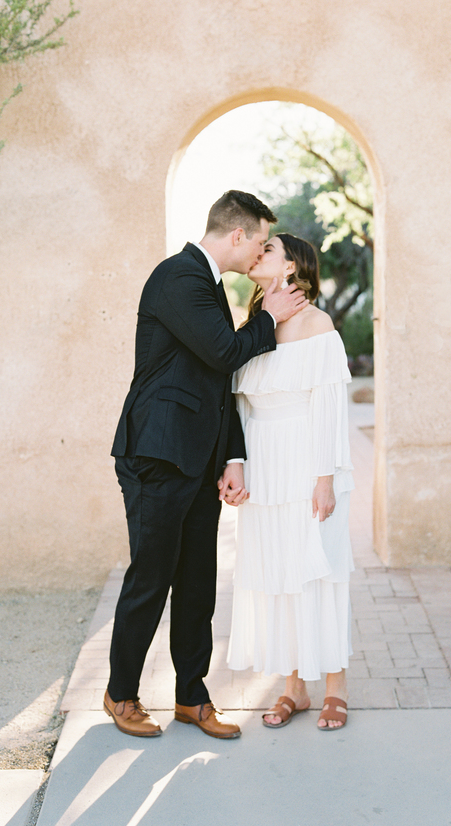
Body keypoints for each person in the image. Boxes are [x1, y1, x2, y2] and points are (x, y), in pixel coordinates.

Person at [106, 192, 308, 739]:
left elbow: (221, 385)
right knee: (151, 578)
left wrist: (232, 456)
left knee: (197, 583)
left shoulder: (210, 287)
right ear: (237, 236)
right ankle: (121, 692)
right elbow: (224, 353)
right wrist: (268, 318)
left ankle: (191, 699)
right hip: (156, 454)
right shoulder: (178, 277)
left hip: (196, 461)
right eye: (261, 242)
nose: (262, 253)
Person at [227, 233, 355, 730]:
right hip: (264, 467)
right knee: (279, 574)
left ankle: (336, 688)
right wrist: (233, 464)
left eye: (270, 249)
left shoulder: (317, 324)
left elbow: (328, 405)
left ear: (293, 267)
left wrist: (324, 478)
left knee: (319, 571)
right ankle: (294, 689)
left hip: (307, 465)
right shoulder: (253, 327)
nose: (258, 253)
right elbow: (237, 404)